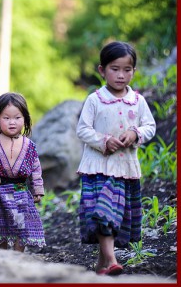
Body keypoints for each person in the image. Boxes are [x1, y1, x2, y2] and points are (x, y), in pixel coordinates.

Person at [76, 41, 156, 275]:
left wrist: (135, 133)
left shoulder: (138, 101)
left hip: (124, 168)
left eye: (127, 69)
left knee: (112, 216)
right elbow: (83, 129)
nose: (121, 75)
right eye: (115, 69)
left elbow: (150, 126)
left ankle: (102, 265)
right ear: (102, 70)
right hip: (97, 167)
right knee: (103, 213)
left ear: (133, 71)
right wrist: (103, 141)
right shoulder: (95, 100)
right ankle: (111, 261)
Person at [0, 92, 46, 252]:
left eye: (17, 118)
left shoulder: (29, 145)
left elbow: (35, 168)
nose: (12, 122)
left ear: (25, 118)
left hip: (21, 192)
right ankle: (1, 254)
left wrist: (37, 189)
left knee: (22, 227)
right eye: (6, 118)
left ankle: (18, 255)